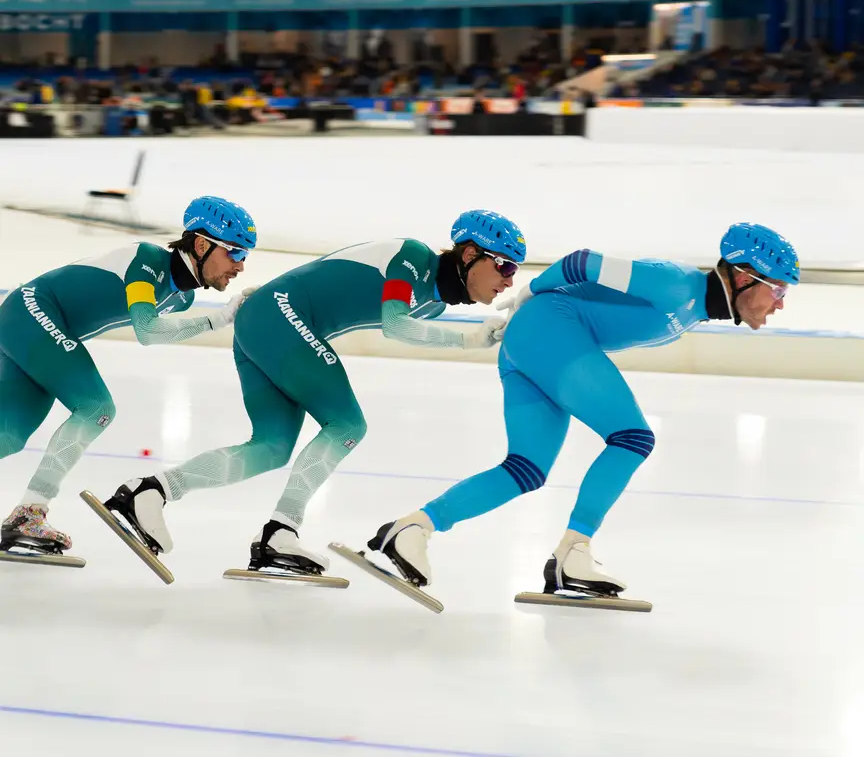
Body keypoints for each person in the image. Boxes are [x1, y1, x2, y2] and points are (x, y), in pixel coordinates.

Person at [351, 223, 799, 603]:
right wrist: (527, 292)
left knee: (525, 469)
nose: (779, 302)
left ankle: (412, 529)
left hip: (536, 341)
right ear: (743, 278)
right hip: (548, 330)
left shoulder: (693, 307)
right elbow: (583, 262)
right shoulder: (677, 284)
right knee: (632, 437)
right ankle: (574, 552)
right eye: (777, 288)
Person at [102, 210, 525, 577]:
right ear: (470, 254)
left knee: (271, 447)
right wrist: (469, 341)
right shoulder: (414, 258)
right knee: (347, 425)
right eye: (505, 266)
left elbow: (402, 325)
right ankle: (280, 531)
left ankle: (150, 491)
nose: (508, 281)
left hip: (267, 323)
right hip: (279, 316)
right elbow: (396, 324)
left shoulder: (432, 303)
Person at [0, 196, 256, 561]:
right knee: (96, 408)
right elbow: (147, 330)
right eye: (235, 253)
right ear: (201, 245)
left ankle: (26, 516)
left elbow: (154, 331)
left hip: (31, 324)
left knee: (8, 436)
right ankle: (30, 513)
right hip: (32, 311)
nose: (241, 266)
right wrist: (218, 320)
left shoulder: (181, 299)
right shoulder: (147, 261)